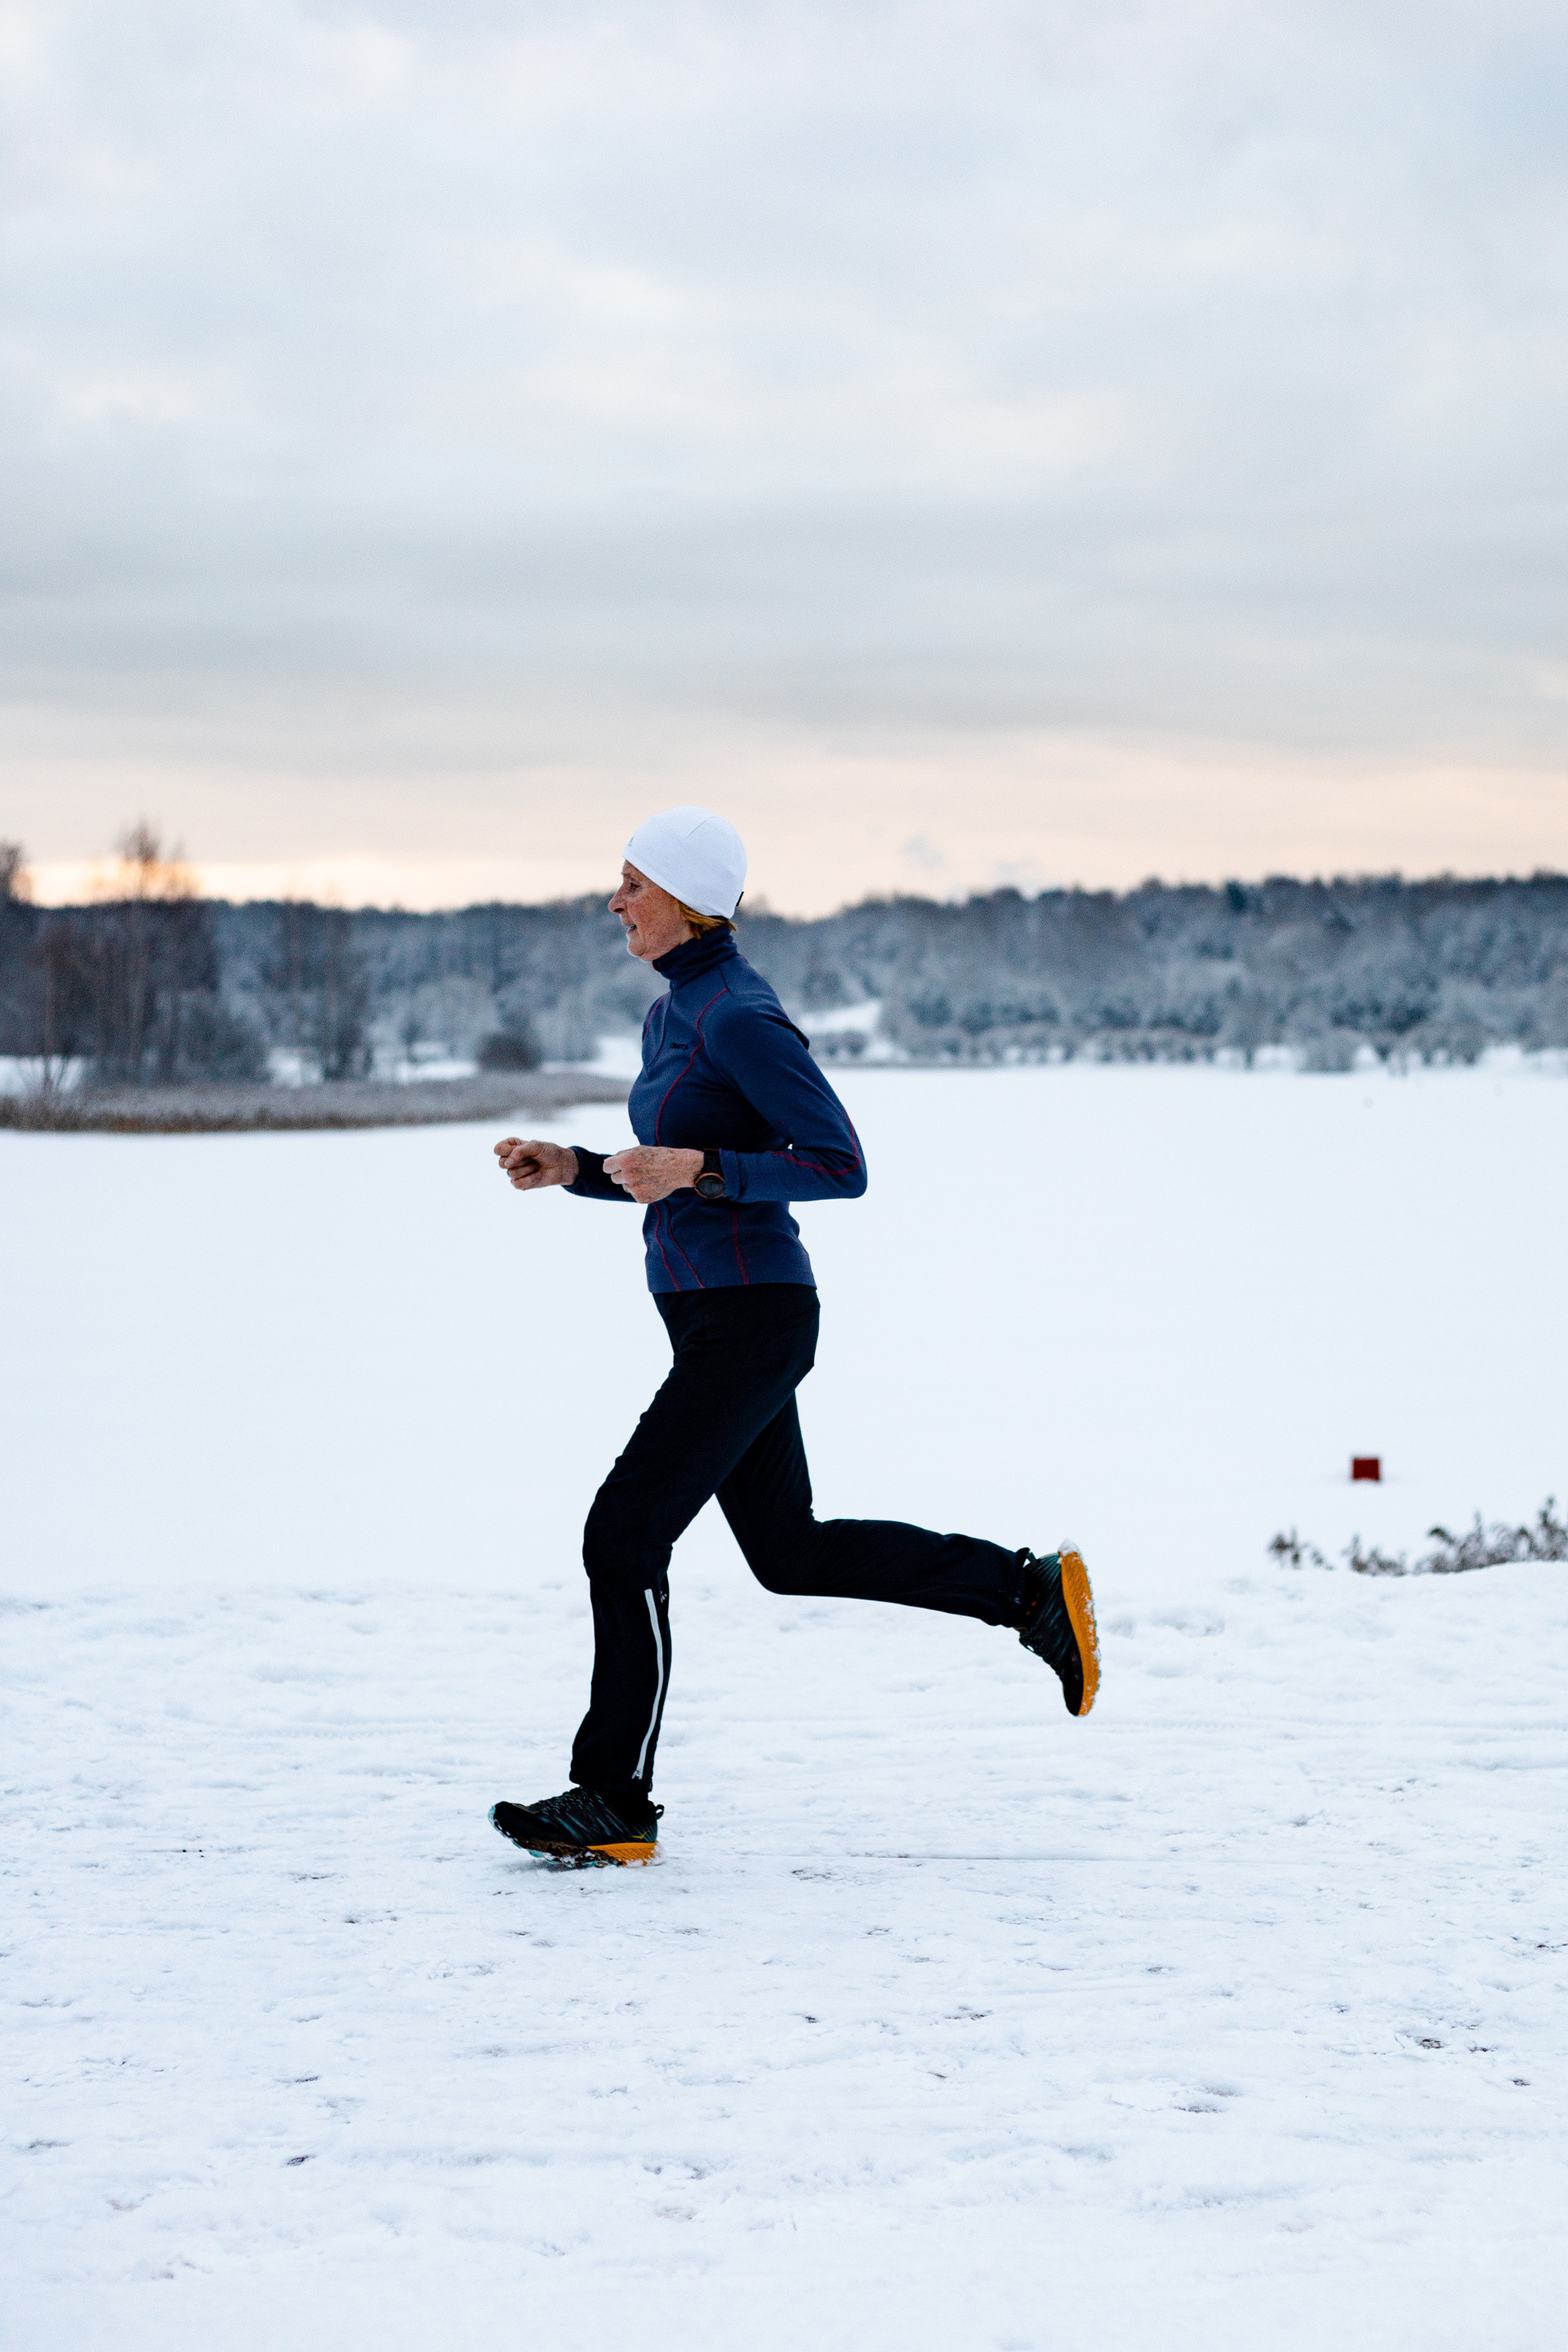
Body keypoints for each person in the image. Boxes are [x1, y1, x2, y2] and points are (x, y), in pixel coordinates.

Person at [489, 805, 1099, 1866]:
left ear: (685, 898)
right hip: (716, 1324)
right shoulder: (671, 1014)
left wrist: (697, 1171)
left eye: (632, 883)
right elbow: (671, 1172)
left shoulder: (738, 1015)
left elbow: (837, 1165)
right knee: (790, 1552)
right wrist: (578, 1167)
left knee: (623, 1531)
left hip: (753, 1320)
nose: (614, 901)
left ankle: (613, 1798)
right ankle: (1028, 1590)